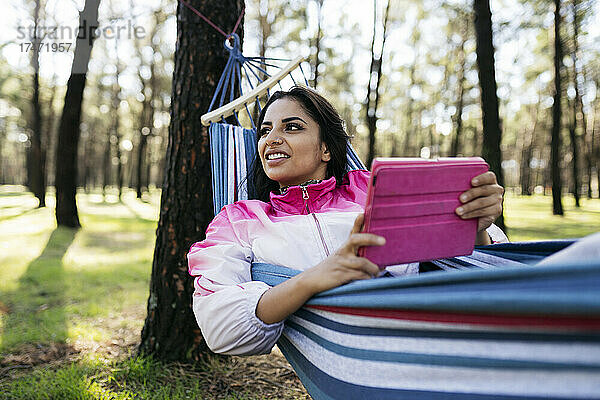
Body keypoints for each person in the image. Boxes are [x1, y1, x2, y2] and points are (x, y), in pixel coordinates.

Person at [188, 86, 507, 355]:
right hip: (344, 366)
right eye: (265, 130)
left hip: (432, 345)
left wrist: (475, 229)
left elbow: (489, 280)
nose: (271, 139)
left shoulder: (373, 190)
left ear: (326, 148)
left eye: (292, 126)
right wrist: (312, 279)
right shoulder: (240, 220)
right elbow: (220, 329)